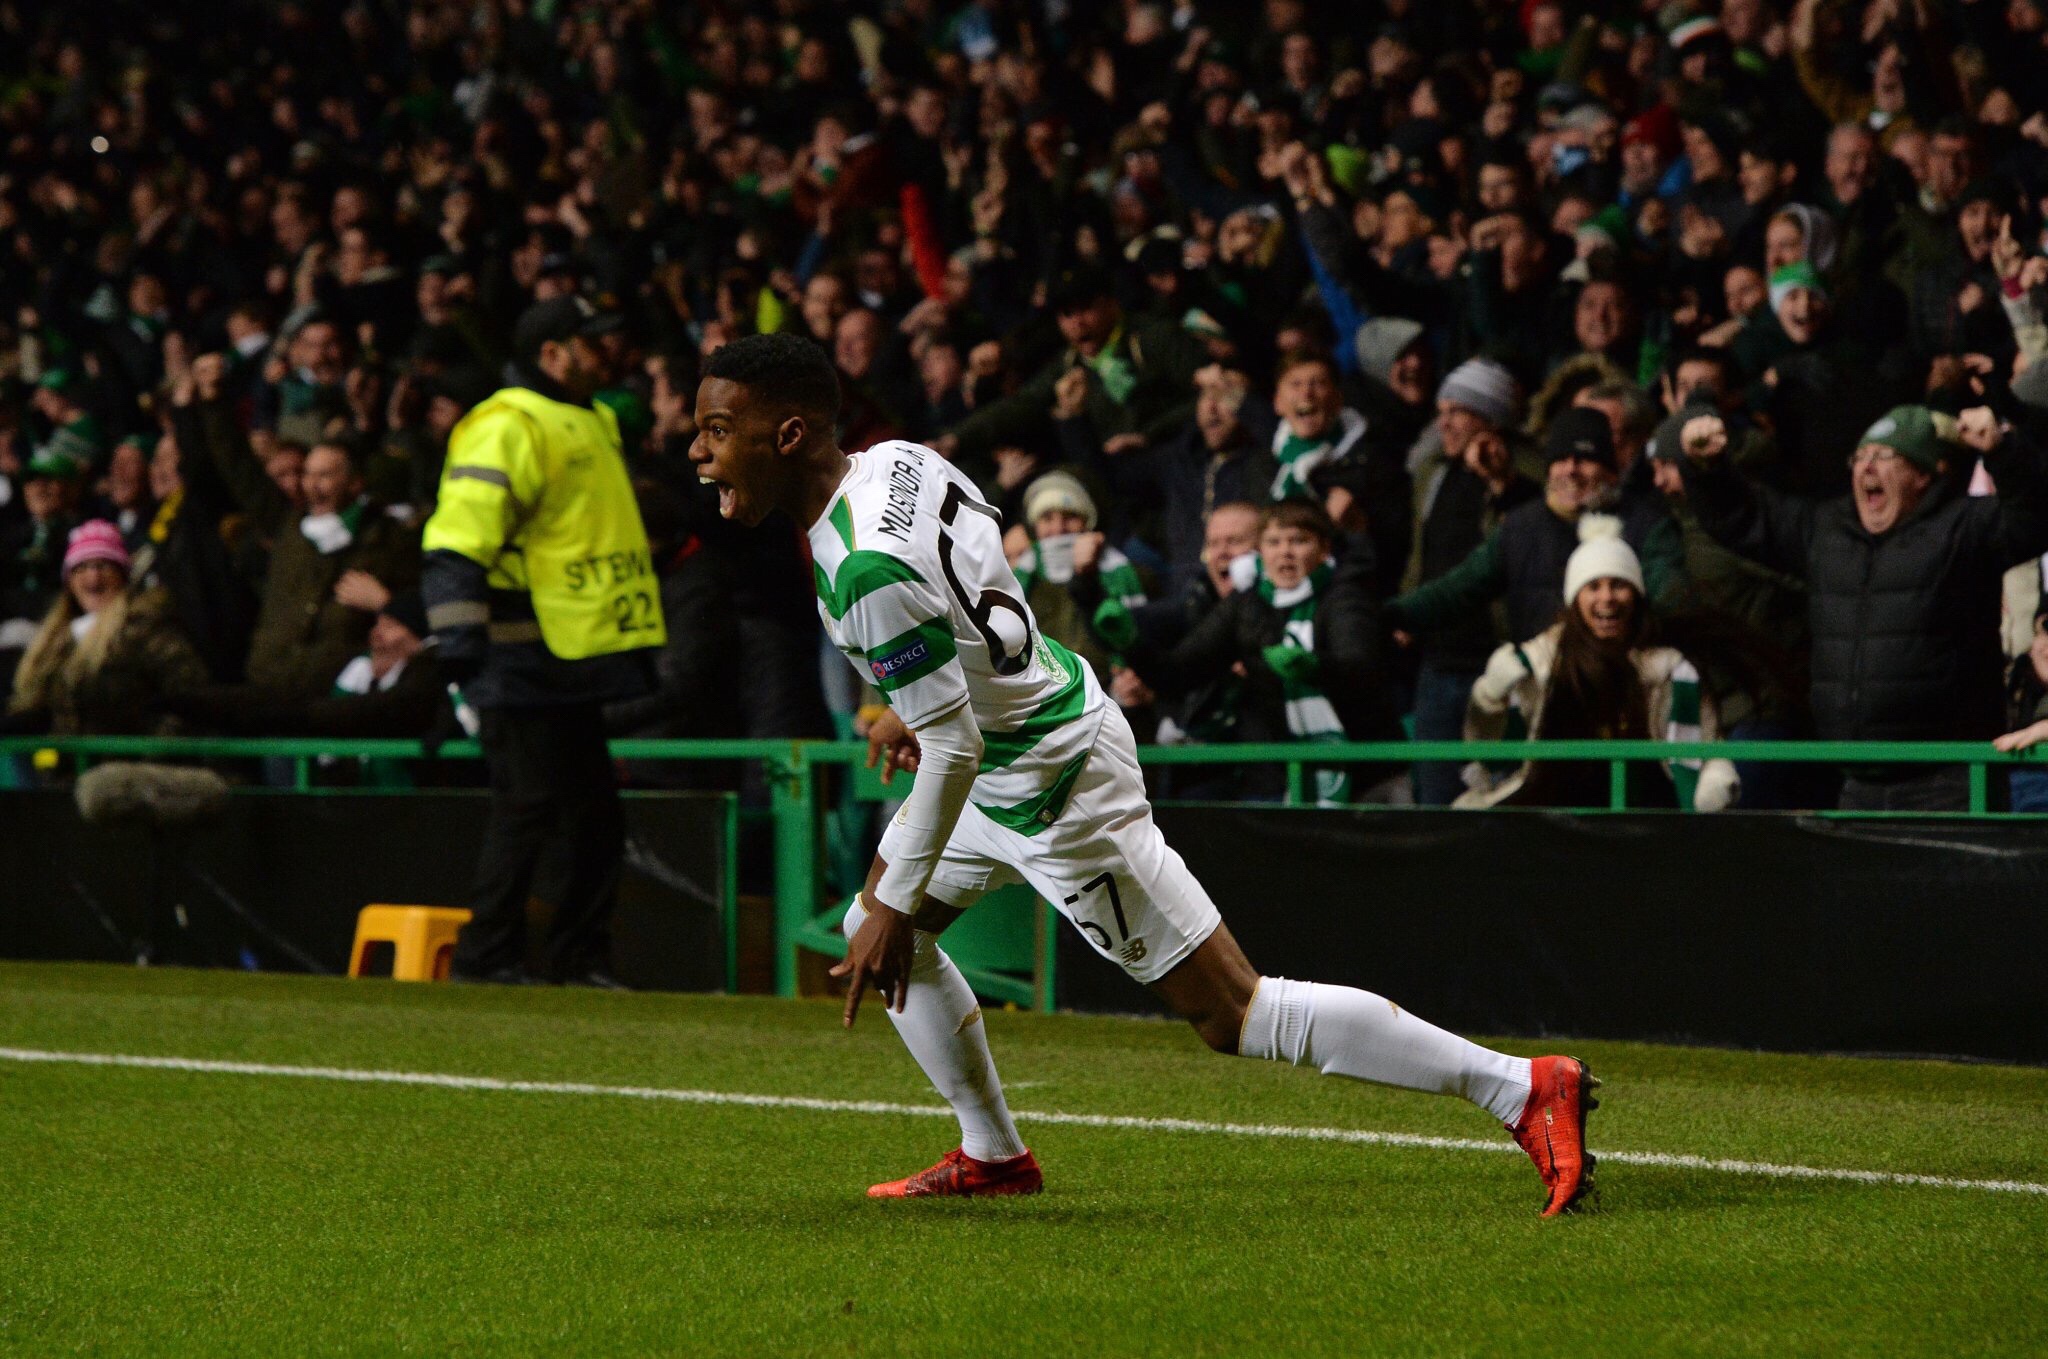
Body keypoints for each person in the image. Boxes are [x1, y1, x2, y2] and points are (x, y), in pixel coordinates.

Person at [689, 332, 1596, 1216]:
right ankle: (993, 1153)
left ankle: (1519, 1087)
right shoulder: (900, 461)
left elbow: (952, 744)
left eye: (718, 431)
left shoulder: (863, 570)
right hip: (1016, 747)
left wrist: (910, 824)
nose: (699, 451)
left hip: (1053, 788)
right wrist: (918, 700)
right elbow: (970, 580)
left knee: (1236, 1012)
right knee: (875, 924)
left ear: (790, 433)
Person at [421, 296, 666, 986]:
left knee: (593, 817)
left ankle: (574, 960)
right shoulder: (507, 424)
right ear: (552, 354)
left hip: (571, 653)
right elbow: (455, 542)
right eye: (590, 341)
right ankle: (486, 959)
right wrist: (459, 649)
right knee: (527, 807)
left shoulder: (594, 417)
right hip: (513, 651)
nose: (605, 352)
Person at [1682, 404, 2048, 810]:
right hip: (1857, 783)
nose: (1867, 467)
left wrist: (2003, 449)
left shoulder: (1964, 530)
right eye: (1860, 457)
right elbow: (1744, 518)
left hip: (1951, 781)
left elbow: (2033, 520)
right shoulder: (1826, 531)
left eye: (1885, 456)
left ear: (1923, 475)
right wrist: (1707, 469)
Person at [1457, 517, 1739, 811]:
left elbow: (1707, 746)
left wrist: (1714, 780)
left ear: (1636, 595)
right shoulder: (1539, 665)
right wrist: (1488, 698)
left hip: (1645, 815)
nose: (1607, 598)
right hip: (1553, 816)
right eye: (1593, 586)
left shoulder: (1669, 670)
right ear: (1575, 599)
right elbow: (1491, 757)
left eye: (1619, 585)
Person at [4, 521, 206, 736]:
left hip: (127, 755)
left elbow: (189, 698)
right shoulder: (54, 640)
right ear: (69, 580)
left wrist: (147, 749)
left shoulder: (145, 628)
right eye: (81, 567)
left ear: (122, 576)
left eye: (103, 565)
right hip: (64, 756)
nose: (93, 576)